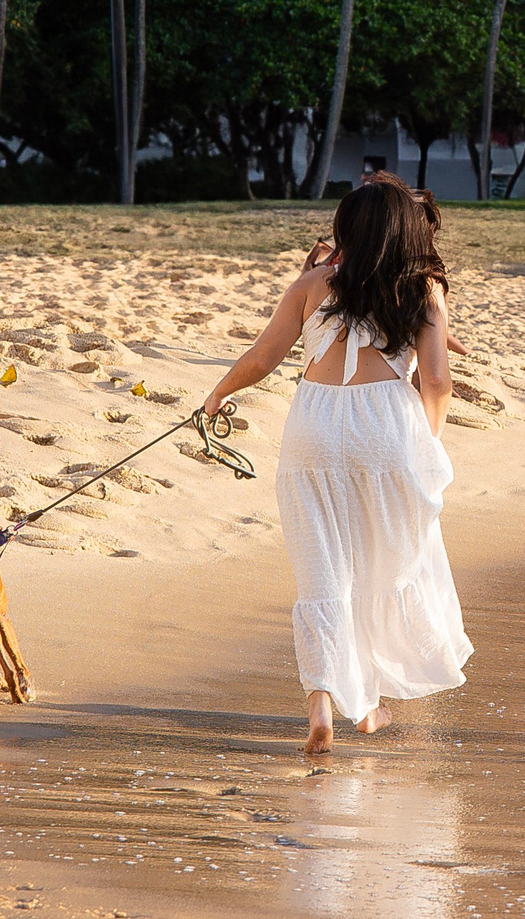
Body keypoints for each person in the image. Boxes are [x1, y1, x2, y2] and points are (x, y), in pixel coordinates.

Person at [201, 173, 470, 756]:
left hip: (314, 430)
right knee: (385, 563)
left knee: (321, 574)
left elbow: (265, 354)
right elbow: (439, 381)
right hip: (388, 431)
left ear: (346, 229)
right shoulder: (423, 288)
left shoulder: (313, 283)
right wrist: (425, 443)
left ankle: (325, 701)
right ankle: (367, 704)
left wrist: (219, 392)